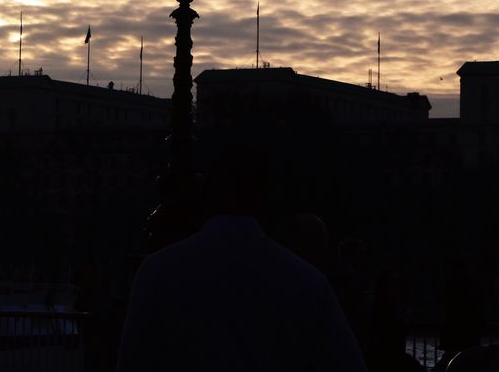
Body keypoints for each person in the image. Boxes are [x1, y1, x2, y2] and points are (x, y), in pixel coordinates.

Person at [117, 140, 367, 372]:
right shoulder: (307, 281)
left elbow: (132, 360)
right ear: (264, 196)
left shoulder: (157, 271)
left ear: (206, 192)